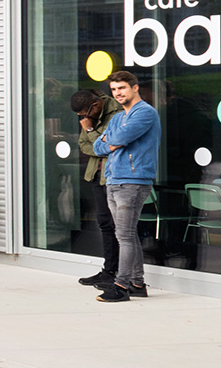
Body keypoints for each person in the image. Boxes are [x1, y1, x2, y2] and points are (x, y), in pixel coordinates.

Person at [93, 71, 159, 302]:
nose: (118, 93)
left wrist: (112, 142)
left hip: (133, 181)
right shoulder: (117, 117)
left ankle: (121, 286)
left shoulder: (146, 113)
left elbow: (120, 137)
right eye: (113, 90)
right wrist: (111, 143)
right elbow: (97, 146)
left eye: (122, 88)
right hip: (113, 179)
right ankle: (137, 283)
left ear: (135, 88)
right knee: (127, 234)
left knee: (125, 235)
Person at [70, 88, 124, 288]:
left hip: (114, 176)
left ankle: (120, 274)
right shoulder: (89, 118)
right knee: (104, 223)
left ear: (95, 105)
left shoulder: (117, 113)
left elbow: (110, 145)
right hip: (96, 176)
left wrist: (91, 131)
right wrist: (97, 142)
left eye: (85, 114)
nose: (84, 119)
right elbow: (84, 145)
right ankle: (109, 271)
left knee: (119, 227)